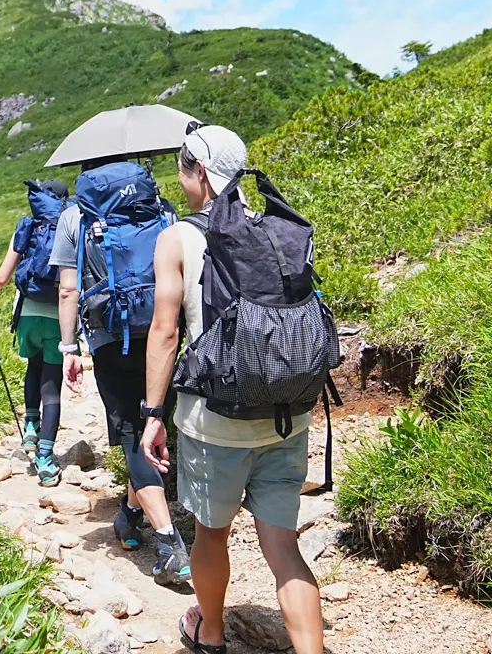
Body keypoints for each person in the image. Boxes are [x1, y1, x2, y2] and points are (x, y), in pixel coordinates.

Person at [139, 125, 325, 654]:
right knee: (283, 547)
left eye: (181, 166)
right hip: (287, 412)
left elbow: (165, 331)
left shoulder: (178, 237)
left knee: (211, 534)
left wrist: (154, 413)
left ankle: (211, 634)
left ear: (198, 170)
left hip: (213, 420)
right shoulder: (277, 228)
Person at [54, 163, 191, 588]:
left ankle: (169, 543)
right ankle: (130, 516)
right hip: (162, 331)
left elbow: (67, 288)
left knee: (134, 432)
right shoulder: (159, 206)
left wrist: (69, 348)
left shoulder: (76, 215)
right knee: (155, 421)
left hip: (110, 336)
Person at [0, 179, 69, 484]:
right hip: (59, 317)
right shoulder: (72, 224)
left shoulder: (27, 227)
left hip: (27, 314)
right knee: (51, 385)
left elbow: (1, 277)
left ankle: (29, 427)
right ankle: (45, 460)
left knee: (32, 366)